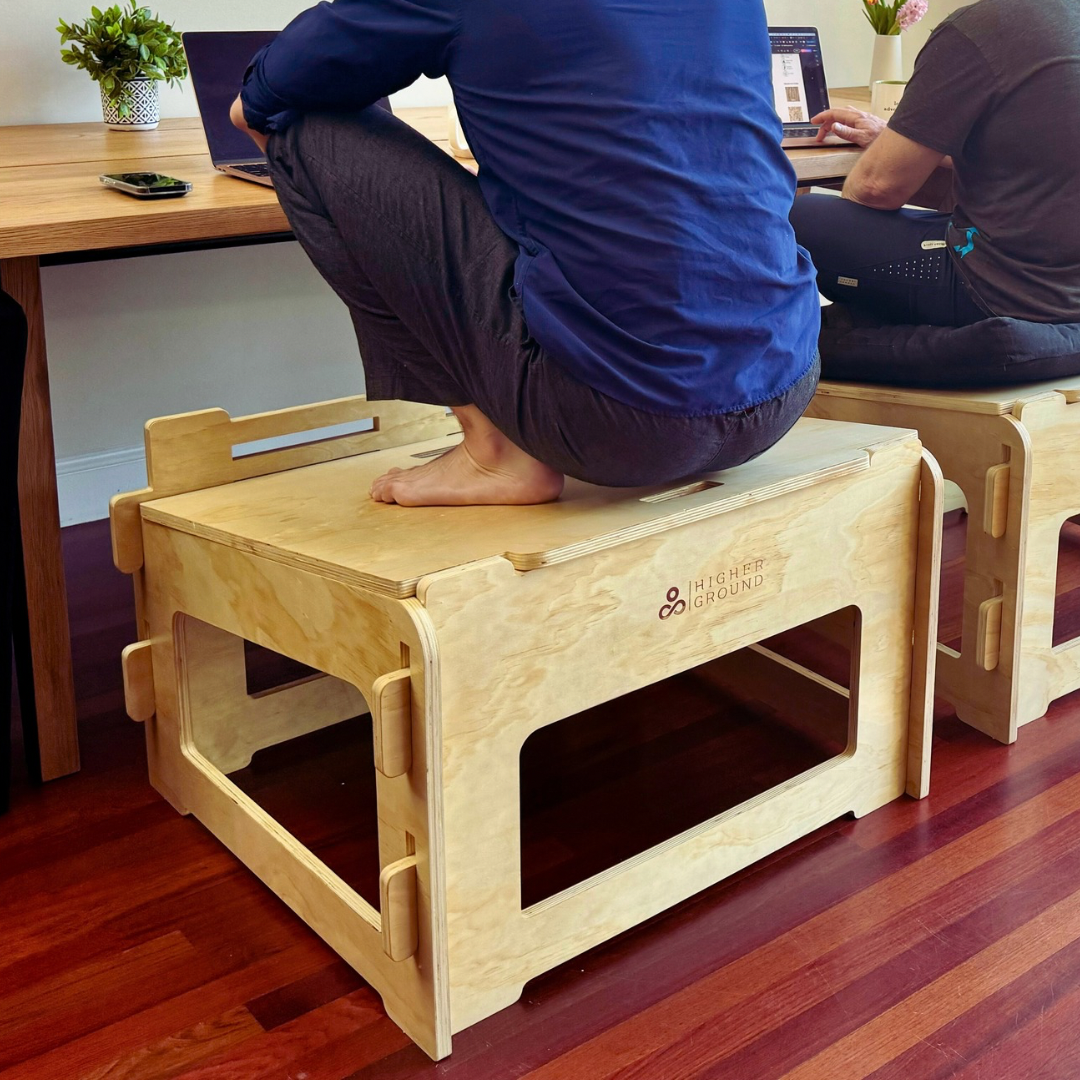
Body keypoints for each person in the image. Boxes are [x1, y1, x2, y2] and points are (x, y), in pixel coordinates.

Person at [230, 0, 820, 507]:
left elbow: (273, 91)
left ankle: (495, 453)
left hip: (618, 422)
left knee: (304, 129)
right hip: (785, 383)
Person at [790, 0, 1080, 331]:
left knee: (799, 217)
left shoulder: (979, 27)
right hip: (1068, 281)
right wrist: (903, 140)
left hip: (1002, 289)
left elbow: (874, 189)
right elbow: (1027, 157)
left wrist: (887, 156)